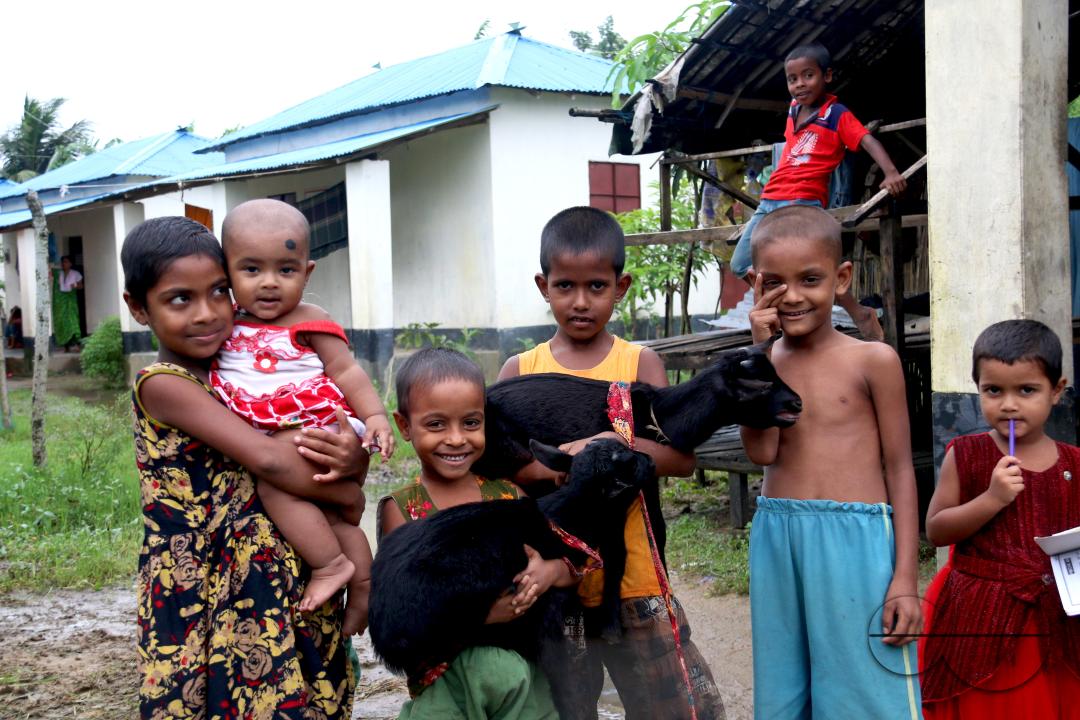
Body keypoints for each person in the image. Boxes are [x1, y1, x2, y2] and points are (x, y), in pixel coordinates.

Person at [120, 216, 366, 718]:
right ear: (138, 308)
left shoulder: (243, 375)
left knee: (297, 692)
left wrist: (354, 458)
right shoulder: (164, 384)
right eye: (180, 299)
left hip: (276, 565)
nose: (208, 313)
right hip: (200, 579)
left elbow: (321, 445)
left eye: (218, 292)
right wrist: (346, 495)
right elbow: (271, 458)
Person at [498, 206, 725, 720]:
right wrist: (563, 468)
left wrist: (611, 446)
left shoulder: (638, 364)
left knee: (677, 706)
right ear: (543, 285)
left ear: (620, 287)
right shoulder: (520, 371)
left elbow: (680, 459)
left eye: (596, 287)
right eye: (565, 287)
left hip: (635, 577)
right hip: (554, 579)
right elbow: (505, 467)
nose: (580, 302)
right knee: (568, 707)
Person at [739, 204, 922, 718]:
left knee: (864, 689)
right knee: (783, 692)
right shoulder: (760, 364)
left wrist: (905, 578)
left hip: (856, 541)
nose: (793, 296)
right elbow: (762, 452)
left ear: (841, 278)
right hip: (778, 536)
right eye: (775, 283)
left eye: (811, 279)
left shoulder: (872, 361)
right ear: (755, 284)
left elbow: (901, 470)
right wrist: (756, 356)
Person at [209, 198, 392, 636]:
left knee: (274, 483)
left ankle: (329, 566)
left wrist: (376, 417)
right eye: (252, 270)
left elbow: (346, 371)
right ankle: (363, 581)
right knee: (326, 519)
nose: (269, 283)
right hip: (275, 429)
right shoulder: (225, 323)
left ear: (306, 273)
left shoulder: (311, 320)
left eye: (285, 270)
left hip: (311, 426)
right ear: (227, 273)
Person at [379, 347, 571, 719]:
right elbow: (404, 609)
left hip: (523, 682)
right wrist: (482, 617)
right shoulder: (405, 510)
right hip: (446, 683)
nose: (456, 439)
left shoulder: (508, 496)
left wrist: (547, 573)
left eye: (470, 423)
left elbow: (569, 563)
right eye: (436, 425)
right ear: (404, 427)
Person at [920, 319, 1080, 718]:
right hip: (981, 617)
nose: (1009, 404)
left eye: (1027, 390)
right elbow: (936, 530)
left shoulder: (1074, 464)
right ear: (978, 389)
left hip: (1056, 621)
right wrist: (991, 498)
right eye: (994, 390)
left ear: (1056, 391)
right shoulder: (967, 454)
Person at [729, 42, 907, 342]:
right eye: (792, 78)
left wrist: (890, 172)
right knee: (740, 264)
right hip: (770, 200)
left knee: (809, 269)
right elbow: (790, 153)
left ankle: (853, 313)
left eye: (808, 75)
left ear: (827, 76)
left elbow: (865, 140)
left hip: (803, 202)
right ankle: (802, 308)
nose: (799, 84)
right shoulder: (793, 110)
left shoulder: (836, 114)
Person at [53, 255, 83, 351]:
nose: (63, 264)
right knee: (63, 321)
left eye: (66, 262)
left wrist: (74, 285)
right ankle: (66, 346)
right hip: (61, 302)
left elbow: (81, 286)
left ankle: (78, 343)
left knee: (73, 320)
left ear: (70, 263)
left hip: (71, 300)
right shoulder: (58, 273)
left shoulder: (76, 274)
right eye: (62, 262)